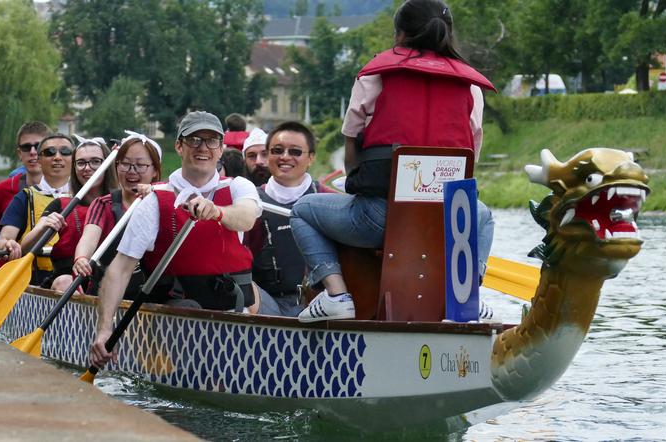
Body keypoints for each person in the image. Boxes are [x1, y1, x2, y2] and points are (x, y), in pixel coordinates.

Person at [291, 0, 496, 322]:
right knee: (482, 217)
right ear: (448, 34)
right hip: (447, 224)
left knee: (302, 210)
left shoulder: (375, 76)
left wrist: (358, 180)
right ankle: (467, 297)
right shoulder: (470, 87)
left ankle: (336, 295)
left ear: (400, 32)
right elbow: (471, 160)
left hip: (378, 219)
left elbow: (351, 148)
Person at [90, 111, 261, 369]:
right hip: (177, 323)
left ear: (221, 149)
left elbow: (246, 217)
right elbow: (120, 269)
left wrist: (217, 212)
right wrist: (104, 330)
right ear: (179, 147)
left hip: (232, 316)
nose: (203, 148)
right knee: (189, 307)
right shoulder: (154, 202)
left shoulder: (239, 187)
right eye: (194, 140)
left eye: (211, 140)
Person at [245, 121, 333, 317]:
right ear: (267, 155)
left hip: (321, 304)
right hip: (266, 305)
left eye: (295, 151)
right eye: (277, 150)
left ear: (311, 158)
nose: (285, 157)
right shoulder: (249, 202)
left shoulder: (328, 200)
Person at [72, 131, 163, 299]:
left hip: (153, 295)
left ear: (155, 171)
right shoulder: (102, 204)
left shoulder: (166, 204)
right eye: (125, 164)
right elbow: (88, 238)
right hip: (108, 292)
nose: (131, 171)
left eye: (140, 165)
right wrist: (81, 258)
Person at [19, 136, 117, 292]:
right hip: (67, 278)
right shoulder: (61, 205)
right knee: (65, 282)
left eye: (95, 161)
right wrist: (43, 227)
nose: (87, 168)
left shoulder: (120, 204)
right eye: (81, 163)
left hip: (110, 279)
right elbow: (25, 248)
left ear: (106, 165)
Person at [0, 122, 52, 276]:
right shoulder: (2, 189)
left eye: (38, 147)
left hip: (54, 269)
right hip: (11, 271)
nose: (33, 152)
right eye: (26, 147)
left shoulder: (70, 189)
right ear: (20, 153)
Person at [0, 133, 75, 285]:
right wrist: (7, 245)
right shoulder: (24, 198)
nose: (57, 157)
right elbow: (2, 240)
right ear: (39, 160)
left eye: (65, 152)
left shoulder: (87, 197)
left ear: (74, 159)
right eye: (50, 152)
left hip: (76, 277)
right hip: (35, 280)